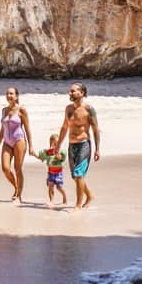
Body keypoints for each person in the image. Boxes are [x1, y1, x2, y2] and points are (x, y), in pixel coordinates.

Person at [54, 81, 100, 210]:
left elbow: (96, 129)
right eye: (70, 91)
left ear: (82, 93)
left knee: (79, 174)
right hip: (71, 145)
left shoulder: (89, 110)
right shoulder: (68, 109)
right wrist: (57, 146)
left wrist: (97, 149)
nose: (70, 93)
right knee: (75, 177)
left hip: (84, 145)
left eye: (73, 91)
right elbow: (64, 128)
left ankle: (78, 205)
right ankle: (89, 195)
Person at [0, 86, 33, 203]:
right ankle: (16, 186)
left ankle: (19, 195)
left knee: (17, 168)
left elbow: (27, 129)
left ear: (16, 96)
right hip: (7, 142)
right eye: (7, 94)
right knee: (5, 168)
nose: (9, 96)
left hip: (19, 140)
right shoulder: (4, 110)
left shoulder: (22, 111)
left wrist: (31, 146)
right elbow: (2, 129)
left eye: (11, 94)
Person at [35, 134, 68, 207]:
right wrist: (34, 155)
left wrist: (57, 154)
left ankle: (64, 197)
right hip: (50, 173)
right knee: (50, 186)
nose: (56, 145)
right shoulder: (48, 153)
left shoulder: (60, 152)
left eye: (57, 144)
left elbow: (61, 158)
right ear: (51, 143)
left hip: (58, 173)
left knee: (59, 187)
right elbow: (41, 158)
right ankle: (51, 201)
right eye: (54, 144)